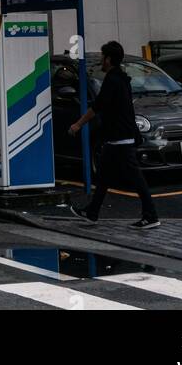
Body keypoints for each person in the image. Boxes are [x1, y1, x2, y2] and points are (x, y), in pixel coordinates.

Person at [68, 40, 160, 230]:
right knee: (104, 176)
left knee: (134, 178)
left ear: (108, 59)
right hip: (119, 136)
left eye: (103, 56)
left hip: (120, 137)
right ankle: (92, 212)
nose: (101, 59)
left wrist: (78, 124)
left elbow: (98, 106)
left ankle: (151, 215)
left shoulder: (112, 80)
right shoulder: (122, 79)